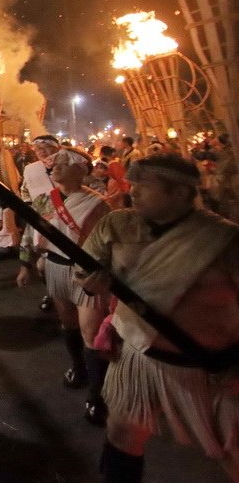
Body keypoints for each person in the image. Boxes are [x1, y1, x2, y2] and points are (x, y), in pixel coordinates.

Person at [79, 154, 239, 481]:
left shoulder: (224, 240)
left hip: (210, 367)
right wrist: (91, 283)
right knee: (123, 434)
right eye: (132, 184)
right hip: (138, 358)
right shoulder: (116, 224)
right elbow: (86, 272)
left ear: (179, 193)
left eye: (143, 186)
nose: (132, 191)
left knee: (231, 450)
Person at [18, 148, 110, 424]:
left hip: (87, 274)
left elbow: (109, 242)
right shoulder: (45, 200)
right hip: (56, 266)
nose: (54, 167)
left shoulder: (99, 204)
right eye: (53, 164)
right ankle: (79, 367)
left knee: (91, 332)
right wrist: (25, 263)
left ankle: (98, 394)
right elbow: (30, 232)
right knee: (68, 324)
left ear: (81, 169)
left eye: (62, 163)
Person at [20, 135, 63, 311]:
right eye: (38, 149)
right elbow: (25, 191)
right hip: (42, 220)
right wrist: (30, 208)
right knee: (43, 266)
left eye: (46, 148)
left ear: (57, 149)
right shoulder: (30, 169)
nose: (41, 152)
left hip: (68, 218)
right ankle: (53, 293)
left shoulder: (66, 167)